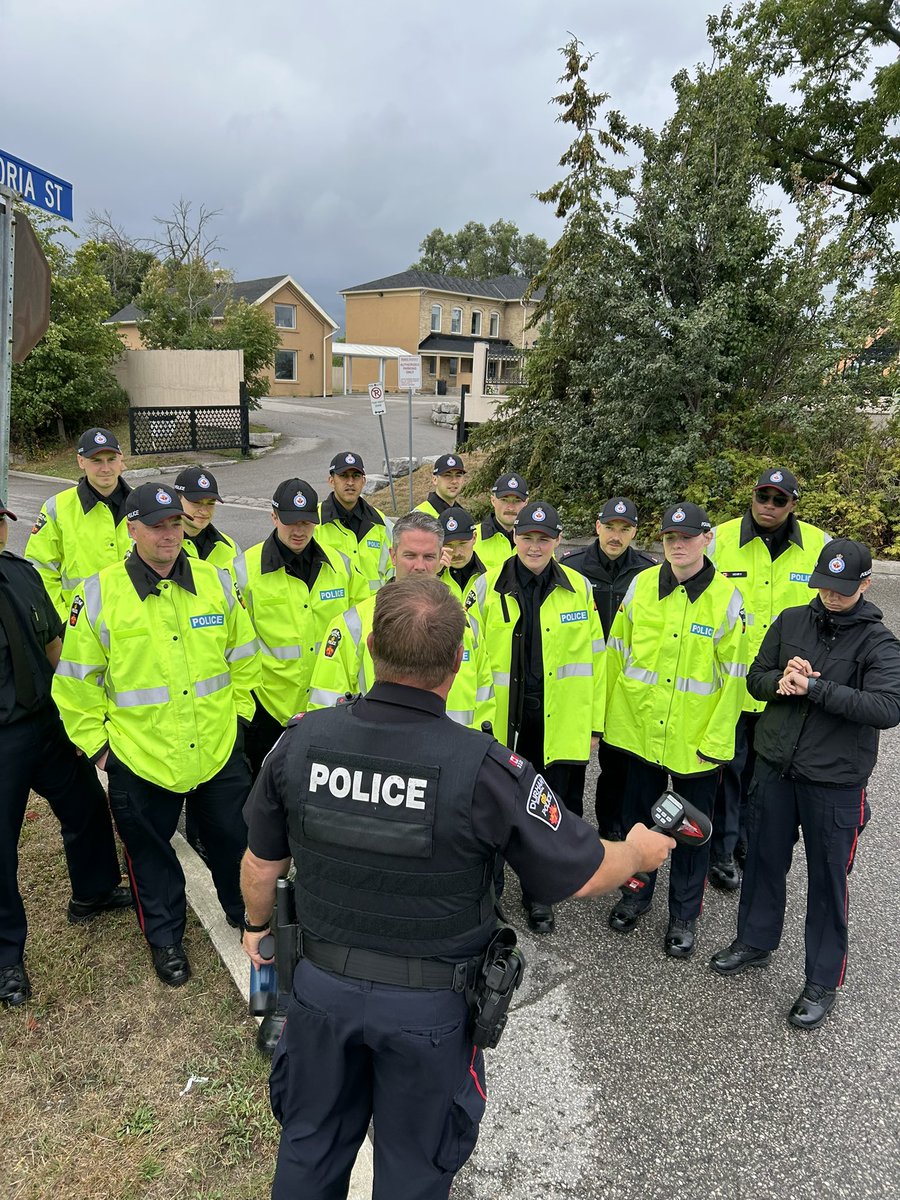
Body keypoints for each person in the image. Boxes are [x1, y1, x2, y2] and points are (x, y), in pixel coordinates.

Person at [240, 576, 675, 1200]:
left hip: (320, 995)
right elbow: (580, 871)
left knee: (309, 1153)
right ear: (458, 660)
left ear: (371, 646)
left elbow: (261, 865)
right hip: (429, 1013)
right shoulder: (485, 769)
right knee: (415, 1172)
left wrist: (257, 930)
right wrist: (638, 850)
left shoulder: (300, 742)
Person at [52, 482, 261, 987]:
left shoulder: (215, 581)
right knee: (150, 855)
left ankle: (244, 914)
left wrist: (237, 718)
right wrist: (101, 750)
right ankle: (165, 937)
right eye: (156, 525)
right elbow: (76, 682)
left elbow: (243, 655)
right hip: (141, 757)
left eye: (175, 524)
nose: (169, 535)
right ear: (132, 529)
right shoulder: (98, 594)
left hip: (216, 749)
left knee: (233, 840)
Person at [710, 539, 900, 1029]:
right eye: (824, 587)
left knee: (828, 882)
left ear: (865, 584)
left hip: (834, 783)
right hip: (775, 768)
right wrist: (781, 680)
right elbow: (755, 678)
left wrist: (816, 688)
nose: (831, 596)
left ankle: (821, 980)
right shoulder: (792, 620)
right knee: (763, 862)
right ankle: (754, 941)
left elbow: (887, 708)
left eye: (842, 589)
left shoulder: (879, 643)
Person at [0, 497, 131, 1007]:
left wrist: (81, 708)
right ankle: (6, 960)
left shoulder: (22, 575)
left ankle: (93, 892)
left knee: (87, 805)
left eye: (0, 521)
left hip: (47, 721)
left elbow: (56, 645)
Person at [604, 503, 747, 958]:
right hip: (638, 731)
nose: (678, 545)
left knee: (692, 833)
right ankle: (635, 895)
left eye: (687, 537)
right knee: (637, 824)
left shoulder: (726, 598)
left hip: (695, 742)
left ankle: (684, 915)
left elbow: (735, 678)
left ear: (707, 539)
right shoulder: (642, 584)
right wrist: (604, 720)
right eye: (670, 537)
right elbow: (616, 653)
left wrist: (717, 742)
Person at [474, 501, 606, 934]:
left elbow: (597, 660)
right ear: (515, 537)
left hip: (557, 722)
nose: (535, 546)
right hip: (500, 721)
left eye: (544, 539)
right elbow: (469, 657)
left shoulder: (578, 587)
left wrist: (594, 724)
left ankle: (539, 895)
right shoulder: (485, 587)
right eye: (527, 537)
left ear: (558, 541)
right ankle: (489, 893)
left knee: (549, 812)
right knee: (493, 808)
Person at [707, 467, 831, 890]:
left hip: (785, 685)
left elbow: (830, 610)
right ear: (753, 495)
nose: (769, 505)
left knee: (766, 774)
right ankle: (721, 849)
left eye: (780, 499)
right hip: (730, 680)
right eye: (763, 496)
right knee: (727, 769)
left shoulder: (818, 544)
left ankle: (748, 840)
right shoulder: (719, 540)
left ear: (793, 504)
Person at [309, 511, 494, 731]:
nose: (419, 566)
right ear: (393, 556)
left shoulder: (465, 625)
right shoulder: (353, 624)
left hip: (453, 751)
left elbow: (485, 703)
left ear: (441, 558)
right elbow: (326, 709)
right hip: (378, 751)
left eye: (429, 557)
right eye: (410, 555)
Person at [234, 479, 369, 776]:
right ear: (274, 517)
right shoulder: (243, 570)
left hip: (328, 705)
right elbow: (233, 643)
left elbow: (364, 623)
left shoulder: (342, 566)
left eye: (307, 522)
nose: (299, 530)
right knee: (263, 789)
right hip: (267, 709)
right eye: (291, 521)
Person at [562, 497, 657, 840]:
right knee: (572, 758)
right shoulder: (571, 567)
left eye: (624, 529)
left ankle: (611, 828)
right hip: (580, 677)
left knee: (619, 761)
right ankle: (569, 828)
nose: (616, 536)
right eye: (610, 527)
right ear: (597, 527)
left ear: (635, 532)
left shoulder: (647, 573)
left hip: (622, 679)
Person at [25, 426, 133, 621]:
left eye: (111, 459)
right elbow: (40, 568)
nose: (106, 468)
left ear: (121, 459)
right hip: (81, 624)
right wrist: (62, 619)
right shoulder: (56, 508)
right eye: (96, 461)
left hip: (137, 621)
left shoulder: (143, 503)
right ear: (81, 461)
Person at [316, 451, 394, 592]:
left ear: (363, 481)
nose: (350, 482)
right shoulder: (315, 522)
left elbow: (394, 569)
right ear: (331, 481)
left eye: (356, 476)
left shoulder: (381, 523)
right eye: (344, 476)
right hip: (335, 606)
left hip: (375, 605)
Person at [174, 467, 240, 574]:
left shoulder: (230, 547)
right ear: (177, 499)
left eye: (210, 503)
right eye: (196, 502)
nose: (204, 511)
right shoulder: (159, 546)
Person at [437, 505, 487, 614]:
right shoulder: (430, 577)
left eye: (462, 543)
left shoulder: (490, 576)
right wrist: (432, 576)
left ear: (474, 537)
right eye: (449, 545)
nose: (456, 553)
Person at [475, 473, 529, 571]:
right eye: (504, 500)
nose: (511, 507)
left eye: (517, 501)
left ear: (526, 503)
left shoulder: (538, 540)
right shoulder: (472, 537)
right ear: (493, 500)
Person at [414, 452, 466, 517]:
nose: (454, 481)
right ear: (435, 479)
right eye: (447, 476)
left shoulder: (462, 515)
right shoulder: (419, 516)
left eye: (458, 475)